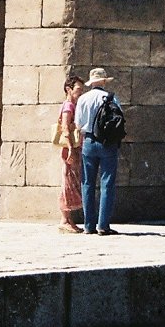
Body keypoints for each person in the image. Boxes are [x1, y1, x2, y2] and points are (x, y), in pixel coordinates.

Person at [74, 67, 121, 235]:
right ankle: (103, 225)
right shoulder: (111, 98)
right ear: (103, 81)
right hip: (108, 144)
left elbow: (78, 124)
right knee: (107, 183)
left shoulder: (83, 99)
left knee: (87, 183)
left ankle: (89, 225)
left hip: (89, 142)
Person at [57, 73, 85, 233]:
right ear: (69, 89)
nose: (80, 93)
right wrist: (71, 150)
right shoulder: (69, 106)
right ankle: (65, 219)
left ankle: (68, 219)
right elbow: (66, 129)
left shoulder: (73, 105)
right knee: (68, 183)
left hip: (72, 148)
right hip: (70, 149)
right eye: (78, 89)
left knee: (71, 182)